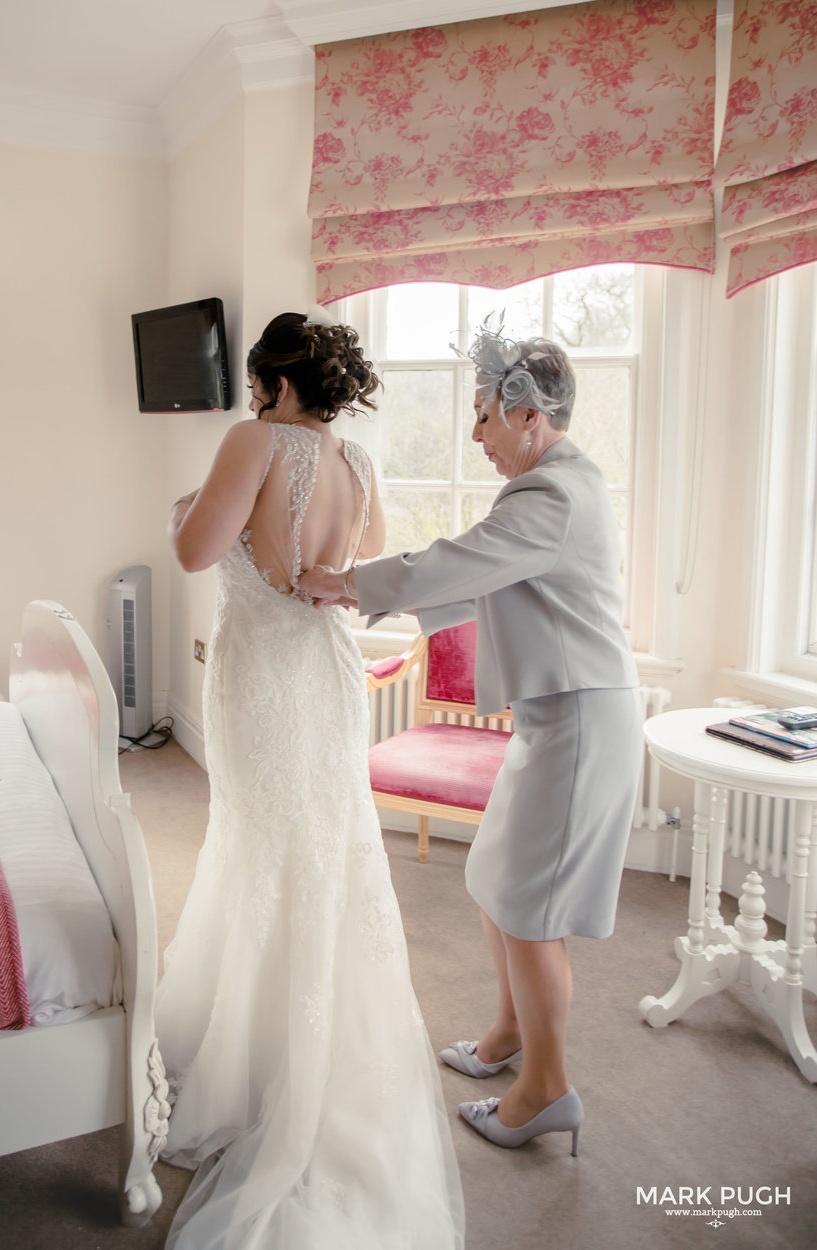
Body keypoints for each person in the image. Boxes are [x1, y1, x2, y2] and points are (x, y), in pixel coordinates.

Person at [154, 309, 465, 1250]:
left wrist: (186, 506)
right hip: (326, 674)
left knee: (259, 842)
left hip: (265, 676)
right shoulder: (360, 464)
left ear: (278, 384)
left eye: (258, 383)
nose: (253, 398)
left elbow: (195, 550)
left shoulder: (256, 440)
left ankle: (254, 1063)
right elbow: (355, 567)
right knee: (322, 846)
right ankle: (311, 1045)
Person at [300, 323, 643, 1159]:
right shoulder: (558, 487)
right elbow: (486, 579)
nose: (477, 435)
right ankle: (507, 1034)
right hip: (556, 719)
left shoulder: (552, 495)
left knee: (529, 912)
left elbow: (459, 563)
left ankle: (545, 1091)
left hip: (578, 725)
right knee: (497, 882)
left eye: (485, 414)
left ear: (529, 414)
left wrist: (349, 585)